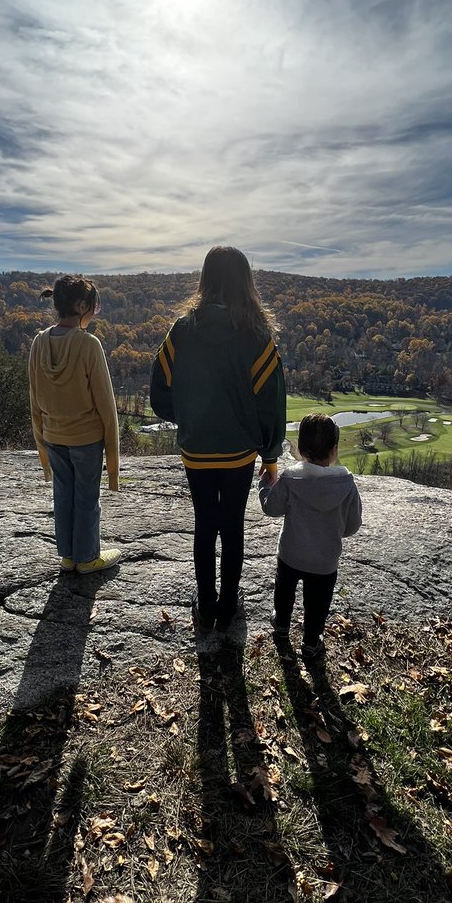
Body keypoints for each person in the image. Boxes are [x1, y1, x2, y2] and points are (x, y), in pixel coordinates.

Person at [150, 246, 286, 630]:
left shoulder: (181, 330)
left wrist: (190, 418)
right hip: (239, 452)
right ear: (246, 282)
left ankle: (205, 604)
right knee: (232, 525)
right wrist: (271, 457)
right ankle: (228, 605)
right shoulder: (256, 335)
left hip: (195, 449)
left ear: (205, 279)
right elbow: (272, 405)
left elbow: (159, 393)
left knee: (205, 523)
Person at [29, 275, 121, 574]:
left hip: (53, 435)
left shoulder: (39, 342)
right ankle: (88, 557)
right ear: (81, 305)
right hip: (86, 438)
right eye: (95, 304)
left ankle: (68, 555)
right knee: (86, 498)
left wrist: (41, 438)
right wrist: (113, 455)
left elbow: (34, 398)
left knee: (63, 494)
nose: (97, 309)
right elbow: (105, 404)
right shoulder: (88, 344)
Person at [258, 413, 362, 659]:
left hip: (290, 555)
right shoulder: (346, 485)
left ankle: (281, 626)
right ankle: (311, 642)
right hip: (325, 562)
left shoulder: (289, 479)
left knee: (284, 592)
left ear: (301, 448)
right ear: (334, 450)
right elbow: (352, 525)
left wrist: (264, 484)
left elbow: (271, 508)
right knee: (318, 605)